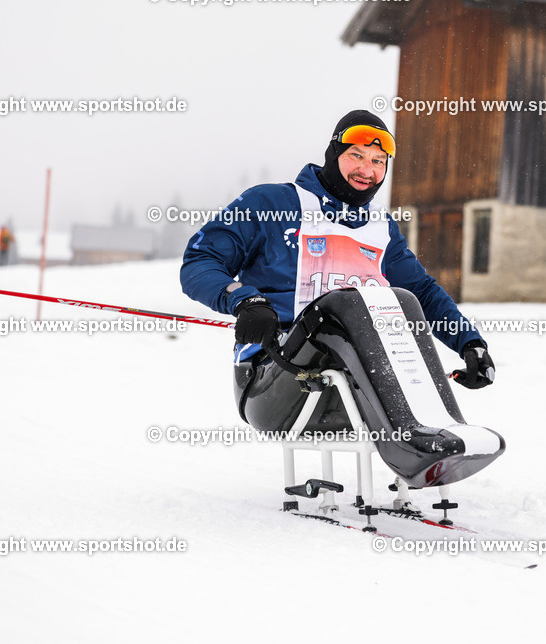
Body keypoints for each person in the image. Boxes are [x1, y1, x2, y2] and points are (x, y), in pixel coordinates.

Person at [181, 110, 500, 486]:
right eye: (357, 156)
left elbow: (424, 292)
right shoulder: (273, 203)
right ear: (334, 155)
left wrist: (469, 342)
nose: (368, 169)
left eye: (379, 161)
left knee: (403, 302)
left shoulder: (380, 229)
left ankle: (441, 424)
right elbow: (200, 261)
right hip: (276, 379)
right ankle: (409, 447)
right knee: (345, 304)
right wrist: (243, 300)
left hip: (360, 384)